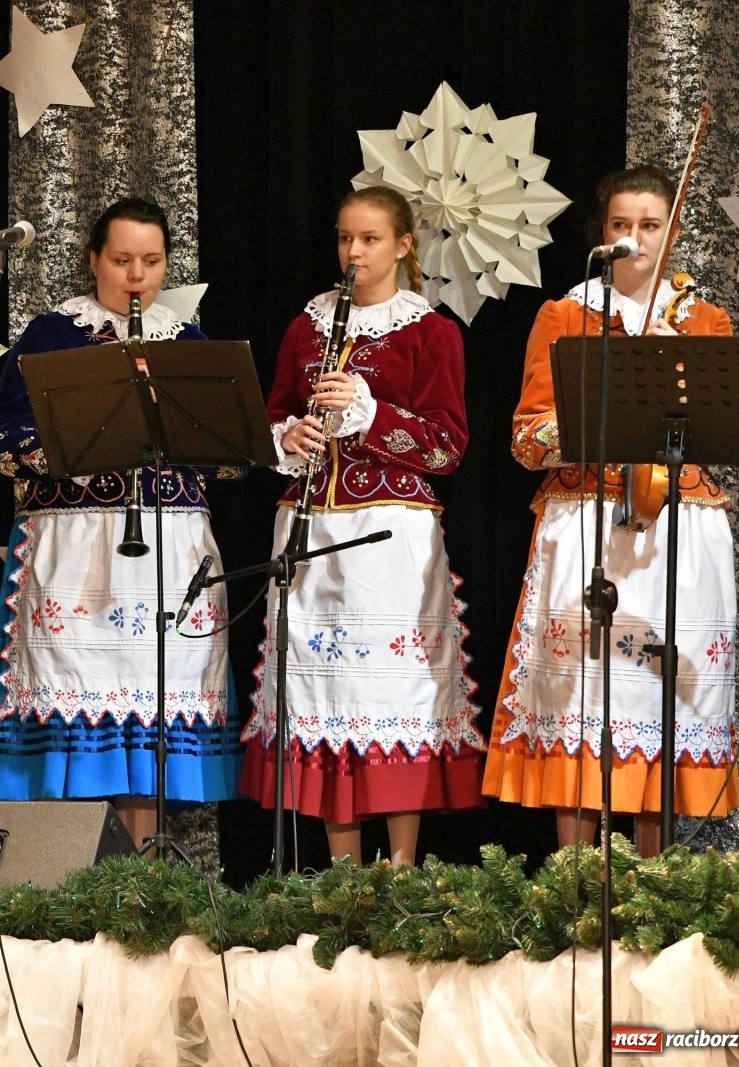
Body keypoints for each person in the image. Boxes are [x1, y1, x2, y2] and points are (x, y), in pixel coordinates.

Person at [482, 165, 737, 855]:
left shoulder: (705, 321)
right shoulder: (566, 316)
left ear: (673, 232)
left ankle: (655, 885)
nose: (635, 237)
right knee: (587, 696)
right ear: (605, 235)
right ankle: (575, 879)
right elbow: (527, 435)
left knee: (655, 697)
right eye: (622, 225)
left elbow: (724, 429)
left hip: (675, 525)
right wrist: (593, 425)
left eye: (650, 225)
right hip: (587, 518)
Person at [0, 197, 242, 846]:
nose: (137, 276)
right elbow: (5, 439)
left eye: (151, 262)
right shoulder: (52, 333)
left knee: (148, 714)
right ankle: (68, 879)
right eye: (122, 259)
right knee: (77, 708)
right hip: (76, 548)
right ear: (93, 259)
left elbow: (227, 453)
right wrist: (77, 438)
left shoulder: (185, 341)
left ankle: (142, 883)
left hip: (165, 547)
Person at [238, 186, 482, 866]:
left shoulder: (432, 331)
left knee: (391, 697)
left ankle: (400, 867)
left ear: (404, 245)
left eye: (370, 240)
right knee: (322, 692)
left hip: (390, 537)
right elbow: (272, 415)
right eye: (346, 238)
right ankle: (341, 869)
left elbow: (447, 446)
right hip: (310, 530)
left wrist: (372, 415)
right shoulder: (307, 326)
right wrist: (291, 436)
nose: (353, 252)